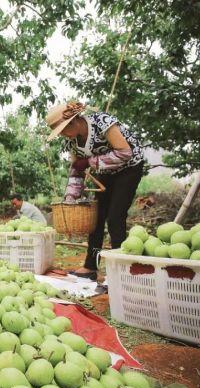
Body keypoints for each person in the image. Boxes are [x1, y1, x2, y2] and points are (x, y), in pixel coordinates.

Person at [46, 101, 145, 280]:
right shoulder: (71, 142)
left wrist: (90, 162)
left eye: (62, 130)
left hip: (129, 168)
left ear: (74, 122)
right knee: (96, 219)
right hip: (105, 170)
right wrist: (71, 198)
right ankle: (91, 266)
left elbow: (125, 153)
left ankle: (120, 269)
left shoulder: (102, 122)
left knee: (115, 217)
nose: (62, 135)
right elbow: (77, 169)